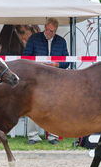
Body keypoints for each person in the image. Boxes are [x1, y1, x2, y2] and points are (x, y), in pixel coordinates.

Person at [23, 17, 69, 145]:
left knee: (55, 107)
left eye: (52, 31)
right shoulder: (34, 39)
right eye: (48, 30)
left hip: (55, 78)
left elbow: (68, 61)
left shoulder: (61, 41)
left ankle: (53, 136)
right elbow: (26, 57)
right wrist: (39, 63)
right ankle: (33, 136)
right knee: (33, 106)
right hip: (37, 78)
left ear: (56, 31)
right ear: (44, 28)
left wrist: (57, 65)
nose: (50, 33)